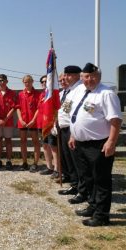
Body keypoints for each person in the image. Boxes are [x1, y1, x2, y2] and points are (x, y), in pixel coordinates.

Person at [69, 63, 122, 227]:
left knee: (101, 180)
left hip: (99, 144)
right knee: (88, 178)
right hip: (81, 144)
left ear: (99, 76)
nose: (89, 79)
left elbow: (115, 120)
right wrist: (73, 135)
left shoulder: (106, 94)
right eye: (86, 76)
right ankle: (93, 206)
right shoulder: (82, 92)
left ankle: (101, 215)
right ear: (82, 77)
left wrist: (111, 142)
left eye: (93, 76)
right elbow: (77, 115)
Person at [57, 66, 88, 205]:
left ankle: (83, 191)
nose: (65, 78)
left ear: (77, 76)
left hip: (72, 129)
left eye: (69, 75)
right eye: (65, 76)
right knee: (69, 160)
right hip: (64, 128)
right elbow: (65, 109)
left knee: (78, 163)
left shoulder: (80, 89)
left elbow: (84, 109)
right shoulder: (70, 91)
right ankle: (75, 185)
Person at [0, 74, 16, 170]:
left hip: (8, 121)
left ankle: (9, 160)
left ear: (6, 81)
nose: (1, 82)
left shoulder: (12, 93)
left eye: (3, 80)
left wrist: (5, 119)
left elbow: (13, 108)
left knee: (8, 141)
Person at [16, 75, 41, 171]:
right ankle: (24, 162)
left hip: (33, 121)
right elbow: (17, 108)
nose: (27, 83)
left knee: (35, 142)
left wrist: (33, 120)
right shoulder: (20, 94)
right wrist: (20, 119)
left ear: (32, 82)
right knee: (23, 142)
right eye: (25, 82)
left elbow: (39, 109)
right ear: (23, 83)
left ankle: (35, 163)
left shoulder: (38, 94)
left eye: (29, 81)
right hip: (23, 121)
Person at [37, 75, 59, 176]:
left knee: (53, 147)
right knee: (45, 146)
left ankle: (57, 169)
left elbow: (57, 109)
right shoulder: (42, 95)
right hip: (42, 124)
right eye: (42, 82)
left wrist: (55, 122)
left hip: (51, 124)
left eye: (46, 81)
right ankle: (49, 167)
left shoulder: (53, 94)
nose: (44, 83)